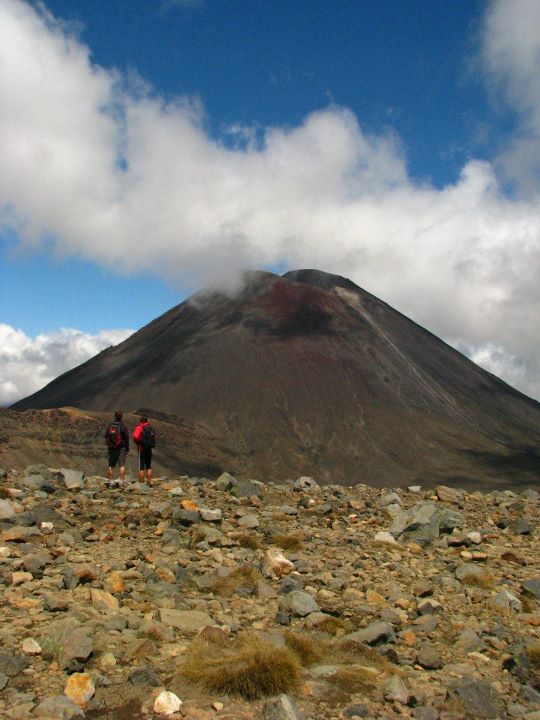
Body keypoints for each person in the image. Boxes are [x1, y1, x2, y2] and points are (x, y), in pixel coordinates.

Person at [104, 411, 129, 485]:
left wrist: (109, 444)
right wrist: (127, 449)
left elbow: (106, 435)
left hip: (112, 447)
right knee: (122, 465)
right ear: (121, 417)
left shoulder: (110, 425)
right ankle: (121, 481)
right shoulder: (123, 426)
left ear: (115, 416)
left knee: (111, 465)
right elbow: (126, 438)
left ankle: (110, 481)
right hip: (122, 447)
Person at [133, 414, 156, 483]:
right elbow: (154, 438)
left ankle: (141, 483)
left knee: (141, 467)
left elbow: (135, 436)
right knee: (148, 466)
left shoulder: (139, 427)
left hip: (142, 449)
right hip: (149, 449)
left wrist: (139, 442)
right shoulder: (151, 428)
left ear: (140, 420)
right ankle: (148, 482)